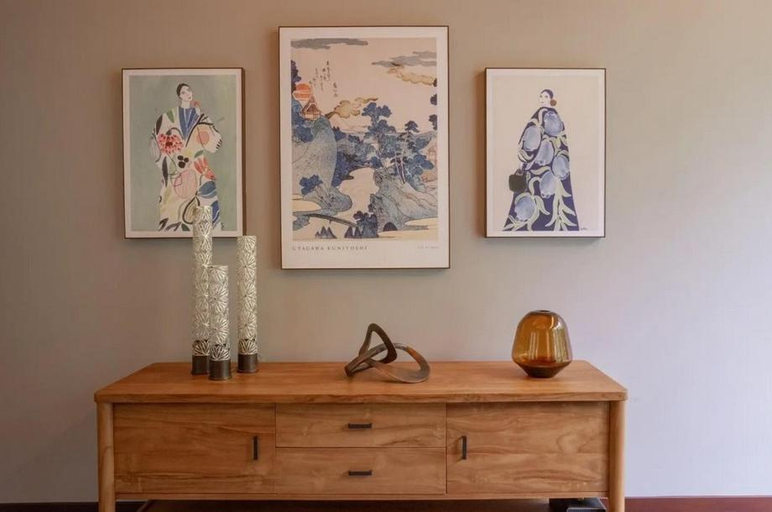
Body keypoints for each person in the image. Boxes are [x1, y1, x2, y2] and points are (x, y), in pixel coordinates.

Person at [150, 83, 224, 231]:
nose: (188, 94)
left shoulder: (202, 117)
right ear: (179, 95)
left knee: (206, 196)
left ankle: (207, 235)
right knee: (172, 205)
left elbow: (215, 142)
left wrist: (201, 120)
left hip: (198, 168)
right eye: (184, 92)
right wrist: (170, 166)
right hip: (175, 170)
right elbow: (155, 143)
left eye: (189, 91)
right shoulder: (167, 117)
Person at [503, 89, 579, 232]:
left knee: (531, 196)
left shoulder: (541, 114)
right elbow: (561, 147)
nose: (542, 99)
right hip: (553, 169)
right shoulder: (558, 118)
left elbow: (530, 140)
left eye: (545, 96)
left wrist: (523, 160)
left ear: (551, 99)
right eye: (541, 96)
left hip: (536, 167)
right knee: (552, 198)